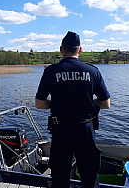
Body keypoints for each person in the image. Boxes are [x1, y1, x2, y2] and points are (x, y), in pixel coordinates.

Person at [35, 31, 110, 188]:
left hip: (61, 129)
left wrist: (54, 104)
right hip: (86, 129)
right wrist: (91, 102)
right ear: (80, 50)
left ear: (61, 49)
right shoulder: (93, 71)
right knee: (89, 174)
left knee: (60, 175)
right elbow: (106, 103)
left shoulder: (51, 71)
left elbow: (39, 104)